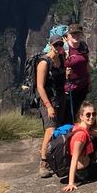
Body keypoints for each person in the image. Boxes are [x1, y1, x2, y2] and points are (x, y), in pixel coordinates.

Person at [36, 34, 66, 177]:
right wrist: (48, 106)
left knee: (59, 129)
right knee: (50, 129)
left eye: (61, 44)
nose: (59, 47)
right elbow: (40, 87)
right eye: (56, 45)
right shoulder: (44, 63)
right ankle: (43, 162)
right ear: (50, 45)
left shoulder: (61, 59)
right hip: (47, 101)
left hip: (60, 99)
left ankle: (57, 158)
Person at [63, 23, 91, 125]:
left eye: (78, 34)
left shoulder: (83, 46)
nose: (76, 36)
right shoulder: (64, 49)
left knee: (79, 114)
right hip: (68, 88)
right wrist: (64, 73)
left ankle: (78, 136)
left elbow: (86, 64)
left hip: (82, 86)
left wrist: (89, 81)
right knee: (68, 116)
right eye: (73, 34)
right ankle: (67, 138)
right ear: (68, 36)